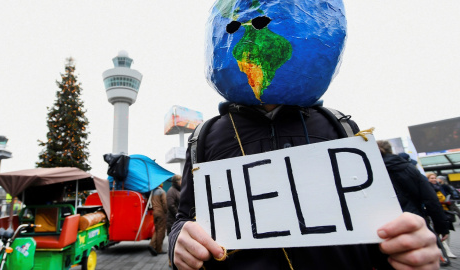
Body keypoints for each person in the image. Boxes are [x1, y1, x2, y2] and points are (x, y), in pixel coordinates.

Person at [169, 1, 440, 269]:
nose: (249, 44)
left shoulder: (340, 128)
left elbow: (381, 223)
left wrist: (411, 246)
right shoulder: (205, 136)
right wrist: (178, 241)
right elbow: (184, 217)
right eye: (236, 27)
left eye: (264, 24)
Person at [377, 141, 450, 238]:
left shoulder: (370, 170)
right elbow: (430, 199)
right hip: (414, 220)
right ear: (391, 150)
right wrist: (442, 227)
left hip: (383, 226)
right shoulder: (409, 168)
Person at [426, 172, 457, 258]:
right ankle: (444, 251)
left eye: (434, 178)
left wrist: (448, 202)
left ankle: (447, 250)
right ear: (428, 179)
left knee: (446, 231)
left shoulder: (440, 187)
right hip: (434, 213)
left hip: (445, 212)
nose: (434, 179)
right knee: (437, 232)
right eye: (431, 178)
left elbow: (448, 196)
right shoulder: (428, 188)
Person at [167, 175, 182, 267]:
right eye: (180, 180)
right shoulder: (171, 191)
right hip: (172, 221)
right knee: (172, 242)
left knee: (177, 242)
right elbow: (170, 205)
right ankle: (170, 260)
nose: (181, 181)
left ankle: (175, 260)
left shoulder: (178, 190)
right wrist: (178, 215)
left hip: (176, 220)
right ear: (176, 181)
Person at [148, 183, 168, 256]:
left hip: (154, 213)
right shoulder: (161, 191)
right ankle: (158, 249)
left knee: (157, 230)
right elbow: (165, 203)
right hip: (161, 213)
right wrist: (166, 212)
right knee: (161, 231)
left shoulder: (152, 192)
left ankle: (152, 244)